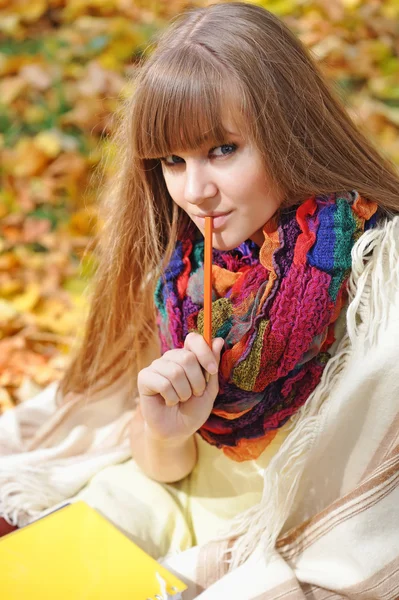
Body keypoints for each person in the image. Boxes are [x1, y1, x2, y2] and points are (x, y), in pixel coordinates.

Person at [1, 2, 398, 597]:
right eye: (171, 160)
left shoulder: (376, 279)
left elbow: (361, 525)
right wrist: (167, 428)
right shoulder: (188, 273)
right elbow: (163, 469)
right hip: (154, 507)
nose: (194, 192)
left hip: (261, 546)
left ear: (291, 132)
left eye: (222, 150)